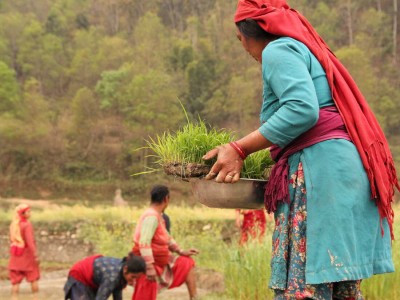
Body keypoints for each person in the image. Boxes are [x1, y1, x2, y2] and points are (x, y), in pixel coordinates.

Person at [202, 0, 399, 299]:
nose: (241, 45)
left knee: (305, 287)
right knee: (339, 288)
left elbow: (302, 110)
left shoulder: (278, 50)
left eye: (238, 37)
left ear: (248, 32)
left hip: (322, 175)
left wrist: (239, 149)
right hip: (345, 170)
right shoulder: (305, 51)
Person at [132, 185, 199, 300]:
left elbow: (167, 238)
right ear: (166, 199)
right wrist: (149, 267)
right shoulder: (151, 216)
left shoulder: (157, 216)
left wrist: (181, 251)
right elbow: (144, 242)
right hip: (149, 262)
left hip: (161, 260)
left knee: (186, 263)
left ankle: (194, 298)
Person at [64, 252, 146, 300]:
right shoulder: (112, 277)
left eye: (137, 279)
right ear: (125, 269)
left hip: (92, 279)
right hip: (79, 277)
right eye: (133, 277)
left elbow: (117, 295)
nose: (133, 281)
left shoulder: (121, 274)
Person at [8, 204, 40, 298]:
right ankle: (36, 298)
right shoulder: (27, 225)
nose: (30, 213)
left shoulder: (14, 225)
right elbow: (30, 242)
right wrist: (35, 255)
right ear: (23, 213)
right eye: (28, 211)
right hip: (27, 257)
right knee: (33, 279)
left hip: (15, 256)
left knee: (15, 283)